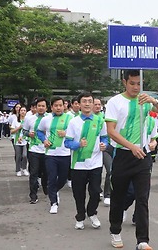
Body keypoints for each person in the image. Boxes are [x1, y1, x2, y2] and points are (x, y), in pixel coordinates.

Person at [105, 69, 158, 250]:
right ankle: (115, 231)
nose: (135, 87)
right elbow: (111, 131)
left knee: (142, 198)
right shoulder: (115, 102)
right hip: (123, 155)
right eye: (132, 83)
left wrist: (154, 100)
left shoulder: (144, 100)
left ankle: (142, 240)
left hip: (142, 157)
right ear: (124, 82)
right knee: (118, 197)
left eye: (139, 83)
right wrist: (130, 146)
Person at [64, 92, 108, 230]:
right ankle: (80, 217)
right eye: (84, 101)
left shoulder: (100, 120)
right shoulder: (73, 122)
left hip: (95, 162)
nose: (87, 104)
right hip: (78, 164)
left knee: (95, 191)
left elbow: (105, 138)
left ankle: (92, 213)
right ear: (79, 104)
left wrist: (104, 145)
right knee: (79, 193)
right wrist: (78, 145)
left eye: (90, 101)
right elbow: (67, 143)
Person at [37, 97, 72, 214]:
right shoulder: (46, 119)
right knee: (51, 177)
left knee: (62, 178)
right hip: (50, 154)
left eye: (60, 105)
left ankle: (55, 190)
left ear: (64, 106)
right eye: (56, 105)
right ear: (51, 107)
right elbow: (39, 131)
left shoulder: (70, 118)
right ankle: (53, 203)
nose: (58, 107)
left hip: (65, 153)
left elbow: (77, 132)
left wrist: (66, 133)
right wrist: (44, 140)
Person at [24, 97, 49, 204]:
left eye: (43, 106)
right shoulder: (29, 118)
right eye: (39, 106)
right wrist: (29, 134)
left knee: (46, 173)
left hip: (47, 150)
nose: (41, 108)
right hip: (34, 150)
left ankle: (46, 188)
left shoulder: (50, 118)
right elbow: (24, 131)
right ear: (35, 107)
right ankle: (33, 195)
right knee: (33, 173)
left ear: (47, 107)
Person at [93, 98, 113, 206]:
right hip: (94, 149)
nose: (97, 106)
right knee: (97, 171)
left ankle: (108, 194)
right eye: (95, 104)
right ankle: (97, 191)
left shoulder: (105, 117)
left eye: (99, 104)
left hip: (107, 147)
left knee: (110, 170)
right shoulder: (87, 118)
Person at [10, 106, 29, 177]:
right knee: (18, 156)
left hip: (25, 141)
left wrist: (23, 137)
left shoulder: (28, 121)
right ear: (19, 112)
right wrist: (19, 127)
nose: (23, 112)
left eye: (24, 110)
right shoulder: (15, 120)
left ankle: (24, 168)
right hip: (16, 141)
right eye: (22, 110)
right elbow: (12, 131)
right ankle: (18, 170)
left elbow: (28, 131)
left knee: (25, 155)